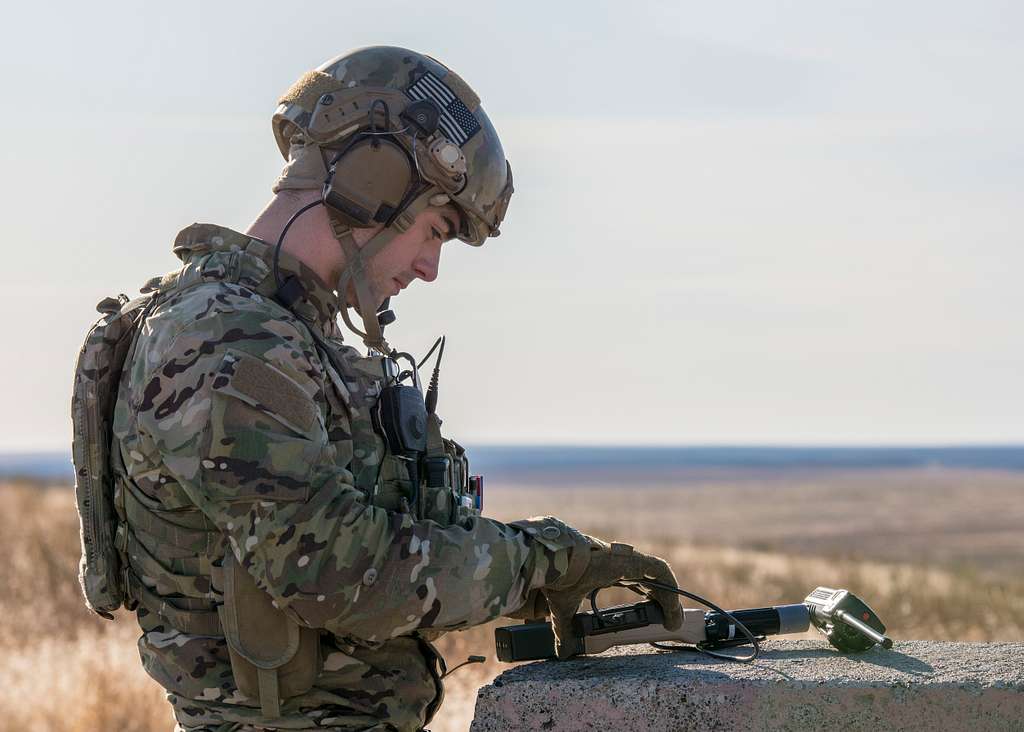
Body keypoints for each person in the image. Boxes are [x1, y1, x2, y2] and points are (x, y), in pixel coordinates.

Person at [110, 46, 683, 732]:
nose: (430, 267)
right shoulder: (227, 342)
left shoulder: (274, 334)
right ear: (371, 180)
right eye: (436, 230)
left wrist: (546, 566)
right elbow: (342, 573)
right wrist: (542, 562)